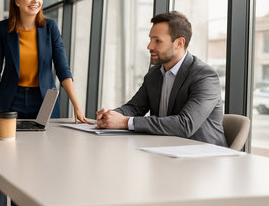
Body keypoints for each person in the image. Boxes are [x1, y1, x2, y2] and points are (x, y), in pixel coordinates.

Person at [0, 0, 91, 206]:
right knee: (4, 162)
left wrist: (78, 107)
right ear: (17, 0)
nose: (35, 0)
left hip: (42, 104)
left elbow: (63, 69)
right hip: (10, 103)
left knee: (36, 163)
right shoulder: (3, 29)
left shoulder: (49, 28)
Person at [96, 11, 228, 147]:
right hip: (165, 150)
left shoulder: (204, 76)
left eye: (157, 41)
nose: (149, 46)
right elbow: (134, 107)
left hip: (204, 156)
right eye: (150, 39)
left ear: (179, 43)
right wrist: (111, 116)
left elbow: (185, 125)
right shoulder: (154, 74)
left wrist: (125, 122)